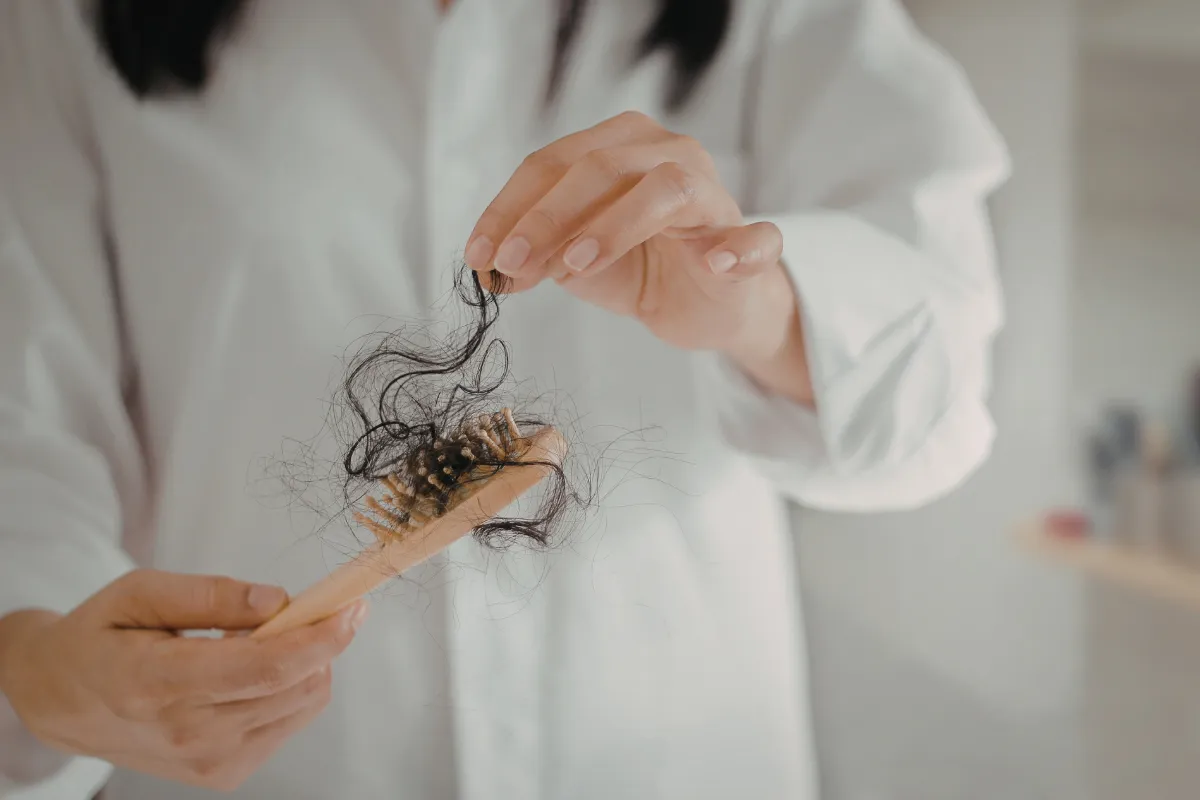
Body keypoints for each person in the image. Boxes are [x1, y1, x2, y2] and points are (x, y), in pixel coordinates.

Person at [0, 0, 1009, 798]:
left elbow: (944, 379)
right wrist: (39, 659)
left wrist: (761, 307)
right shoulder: (61, 25)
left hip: (685, 756)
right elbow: (23, 436)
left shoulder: (780, 16)